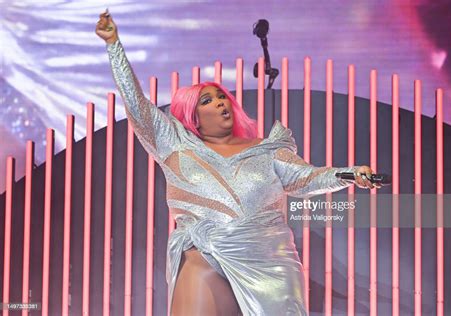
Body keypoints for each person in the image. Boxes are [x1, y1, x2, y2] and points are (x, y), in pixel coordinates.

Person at [95, 10, 380, 316]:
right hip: (204, 253)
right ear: (192, 116)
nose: (220, 103)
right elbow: (137, 106)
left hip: (268, 261)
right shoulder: (174, 147)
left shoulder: (267, 149)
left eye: (221, 97)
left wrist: (347, 174)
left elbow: (305, 179)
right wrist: (114, 45)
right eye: (207, 101)